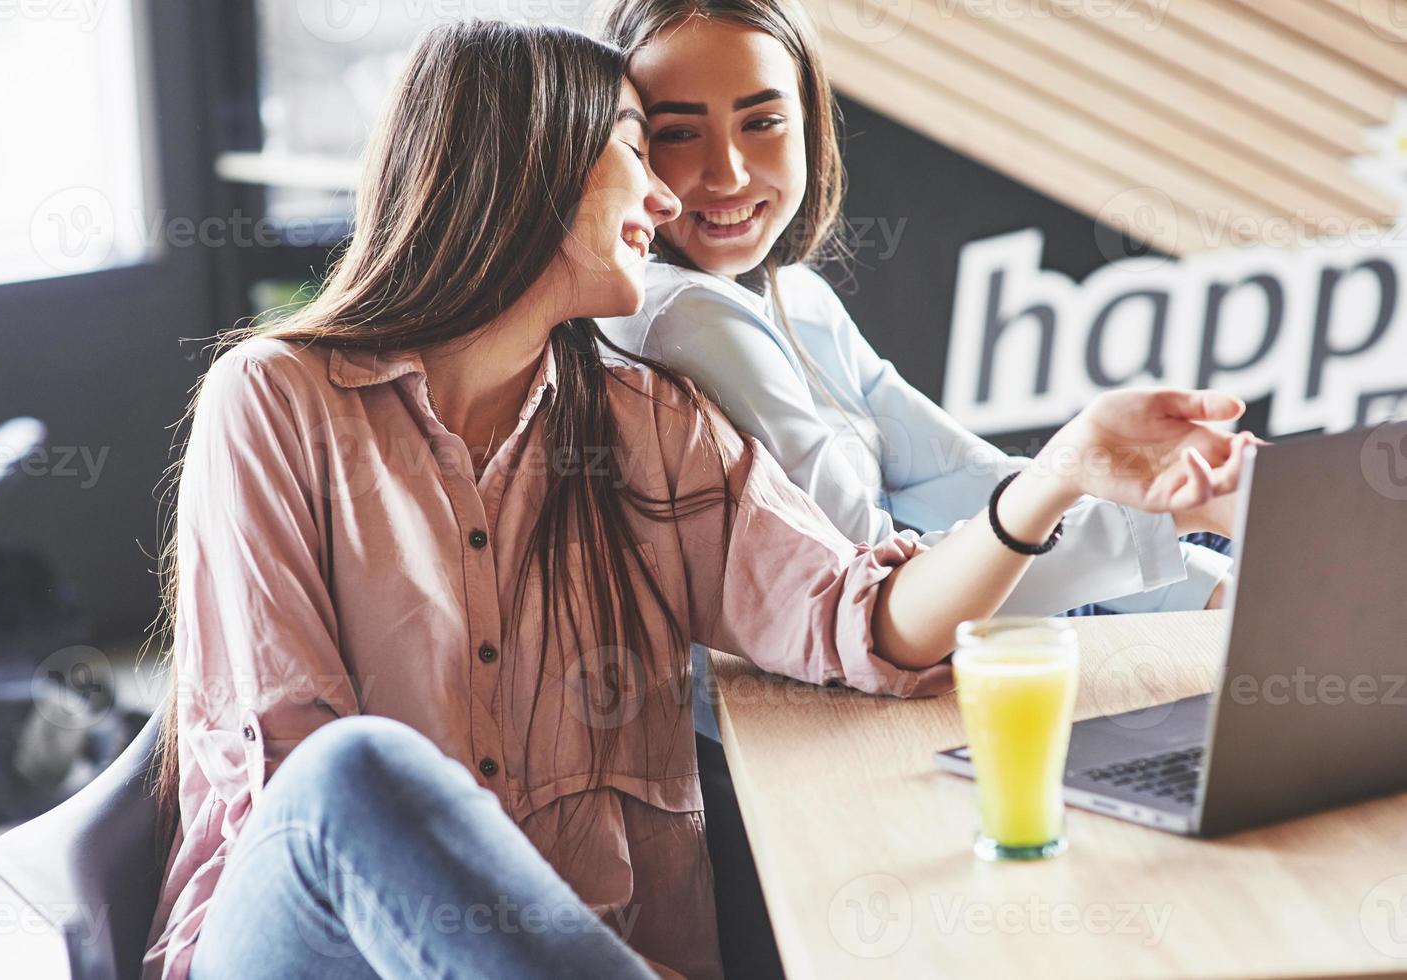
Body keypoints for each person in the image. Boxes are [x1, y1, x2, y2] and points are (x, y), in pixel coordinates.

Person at [140, 19, 1252, 980]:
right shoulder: (280, 397)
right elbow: (287, 761)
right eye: (639, 148)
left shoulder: (650, 423)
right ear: (530, 163)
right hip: (321, 941)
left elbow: (864, 624)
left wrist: (1054, 478)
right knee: (353, 766)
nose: (673, 196)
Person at [597, 0, 1237, 648]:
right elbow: (872, 580)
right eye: (678, 133)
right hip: (820, 696)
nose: (728, 172)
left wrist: (1195, 565)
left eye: (761, 121)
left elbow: (961, 479)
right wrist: (1170, 516)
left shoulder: (798, 296)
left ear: (809, 125)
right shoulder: (683, 316)